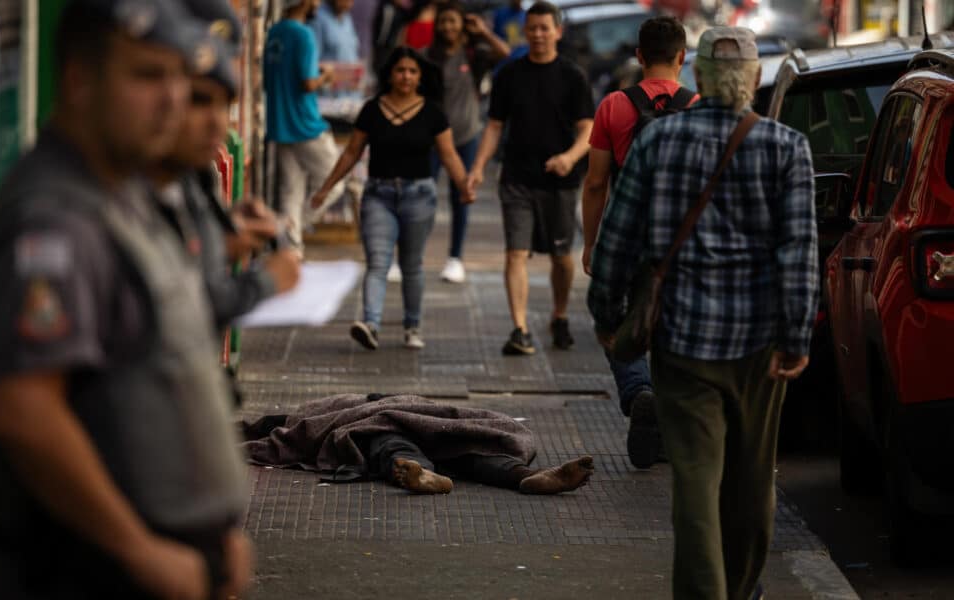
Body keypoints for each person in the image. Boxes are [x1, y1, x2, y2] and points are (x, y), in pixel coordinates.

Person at [0, 1, 253, 598]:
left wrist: (214, 529)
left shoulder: (127, 194)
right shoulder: (55, 221)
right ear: (78, 82)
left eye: (179, 76)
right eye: (148, 76)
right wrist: (138, 549)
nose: (173, 98)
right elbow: (25, 411)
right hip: (100, 569)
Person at [587, 27, 818, 600]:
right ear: (756, 80)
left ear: (700, 79)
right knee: (750, 480)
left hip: (683, 343)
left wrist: (608, 314)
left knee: (695, 482)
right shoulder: (787, 147)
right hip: (760, 348)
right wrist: (796, 334)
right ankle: (740, 588)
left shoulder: (657, 141)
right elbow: (799, 250)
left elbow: (617, 236)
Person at [581, 16, 697, 470]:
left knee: (619, 326)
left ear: (639, 56)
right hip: (683, 242)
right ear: (682, 57)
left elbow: (594, 184)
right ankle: (667, 418)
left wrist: (592, 244)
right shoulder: (700, 107)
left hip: (626, 235)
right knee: (675, 332)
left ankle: (638, 390)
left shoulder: (613, 105)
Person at [311, 47, 474, 351]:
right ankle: (370, 324)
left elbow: (449, 154)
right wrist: (326, 187)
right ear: (390, 75)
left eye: (412, 71)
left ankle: (412, 326)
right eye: (400, 71)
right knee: (377, 262)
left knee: (412, 265)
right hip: (378, 196)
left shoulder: (433, 113)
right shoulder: (372, 110)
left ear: (420, 76)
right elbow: (351, 153)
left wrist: (464, 186)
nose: (406, 77)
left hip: (419, 197)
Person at [152, 1, 301, 331]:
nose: (217, 125)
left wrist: (227, 240)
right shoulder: (117, 189)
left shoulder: (186, 172)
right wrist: (265, 283)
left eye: (226, 105)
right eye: (198, 100)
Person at [466, 0, 594, 356]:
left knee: (562, 257)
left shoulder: (573, 76)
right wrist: (477, 169)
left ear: (557, 31)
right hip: (516, 177)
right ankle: (520, 328)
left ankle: (560, 313)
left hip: (560, 182)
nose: (538, 35)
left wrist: (569, 158)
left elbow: (589, 127)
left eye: (544, 28)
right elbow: (494, 126)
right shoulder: (509, 74)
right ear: (525, 31)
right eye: (532, 28)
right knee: (515, 253)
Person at [241, 394, 595, 495]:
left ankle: (423, 474)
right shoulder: (368, 404)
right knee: (468, 454)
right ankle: (524, 476)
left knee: (390, 444)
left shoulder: (321, 412)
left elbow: (281, 432)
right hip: (409, 423)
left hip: (380, 421)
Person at [427, 1, 510, 283]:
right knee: (422, 196)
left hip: (467, 136)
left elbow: (505, 54)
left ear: (462, 23)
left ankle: (455, 258)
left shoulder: (474, 54)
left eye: (453, 21)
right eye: (444, 21)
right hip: (433, 139)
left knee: (461, 197)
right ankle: (409, 255)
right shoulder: (430, 57)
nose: (448, 27)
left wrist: (484, 32)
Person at [263, 0, 346, 254]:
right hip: (305, 125)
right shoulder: (304, 35)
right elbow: (309, 84)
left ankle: (291, 249)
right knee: (335, 183)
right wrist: (327, 76)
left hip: (280, 124)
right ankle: (289, 228)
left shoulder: (274, 32)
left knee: (291, 191)